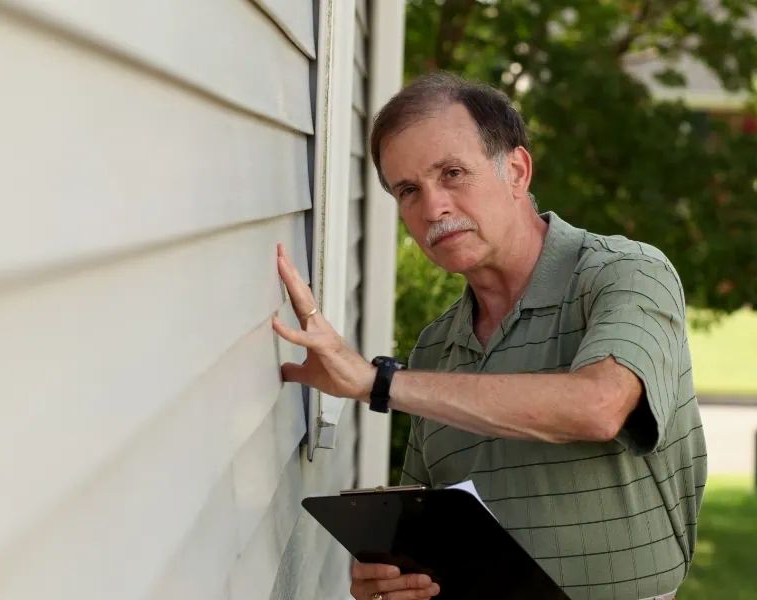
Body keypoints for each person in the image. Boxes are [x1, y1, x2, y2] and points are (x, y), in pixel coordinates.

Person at [272, 73, 706, 600]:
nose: (433, 208)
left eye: (453, 173)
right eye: (408, 190)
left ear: (517, 171)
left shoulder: (625, 273)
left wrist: (377, 382)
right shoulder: (436, 348)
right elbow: (421, 528)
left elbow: (598, 406)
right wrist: (390, 580)